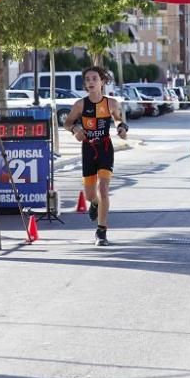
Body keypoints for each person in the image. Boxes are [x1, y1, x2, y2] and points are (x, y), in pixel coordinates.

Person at [63, 66, 128, 247]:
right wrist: (76, 129)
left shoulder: (111, 103)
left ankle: (101, 232)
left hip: (105, 148)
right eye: (88, 79)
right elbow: (67, 122)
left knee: (104, 188)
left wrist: (121, 128)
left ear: (103, 82)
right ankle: (95, 204)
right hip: (88, 150)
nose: (91, 82)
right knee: (91, 195)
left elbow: (118, 119)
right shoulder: (80, 105)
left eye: (94, 79)